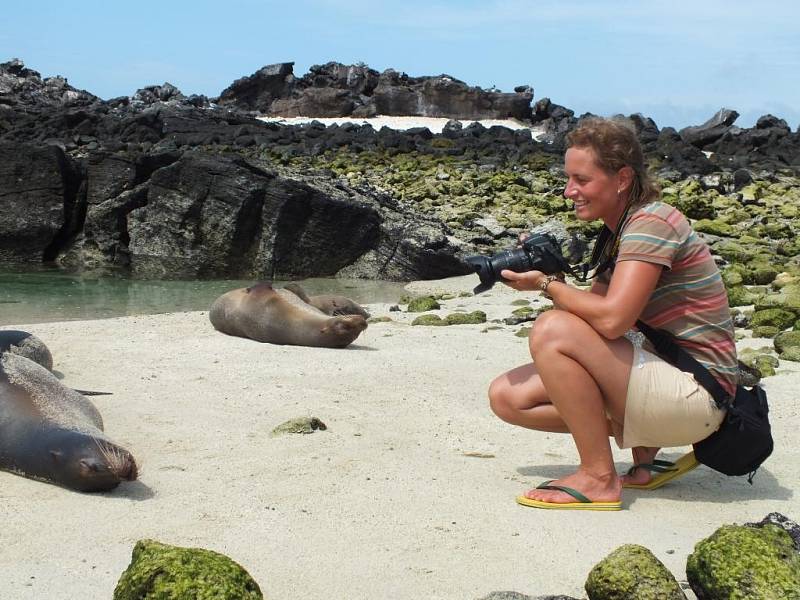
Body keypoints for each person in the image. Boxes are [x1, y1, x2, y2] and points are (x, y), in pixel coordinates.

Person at [488, 117, 737, 510]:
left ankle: (599, 477)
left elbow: (612, 321)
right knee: (508, 397)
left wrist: (544, 286)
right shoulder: (619, 232)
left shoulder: (652, 222)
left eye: (581, 180)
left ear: (621, 178)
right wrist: (553, 274)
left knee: (552, 331)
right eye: (568, 179)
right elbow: (591, 323)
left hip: (700, 395)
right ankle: (643, 448)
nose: (570, 191)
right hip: (670, 383)